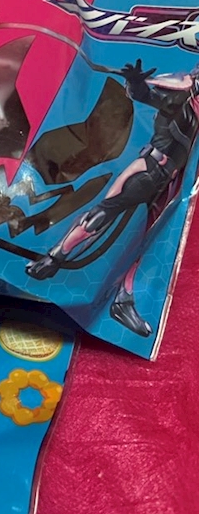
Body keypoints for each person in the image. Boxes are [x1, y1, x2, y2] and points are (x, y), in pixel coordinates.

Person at [26, 59, 199, 337]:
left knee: (147, 240)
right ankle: (53, 259)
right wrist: (136, 82)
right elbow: (147, 95)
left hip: (170, 181)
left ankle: (122, 301)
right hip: (148, 168)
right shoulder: (178, 98)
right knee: (102, 214)